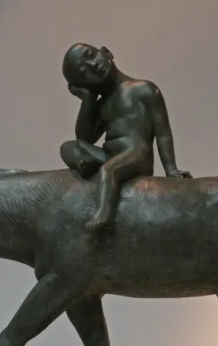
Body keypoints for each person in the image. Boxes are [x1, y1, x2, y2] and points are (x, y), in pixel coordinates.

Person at [59, 43, 191, 231]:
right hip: (110, 155)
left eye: (91, 55)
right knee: (68, 146)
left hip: (136, 154)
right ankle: (86, 163)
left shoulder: (144, 89)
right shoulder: (102, 104)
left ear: (106, 52)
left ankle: (103, 212)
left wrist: (171, 168)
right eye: (84, 73)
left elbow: (162, 132)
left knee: (108, 171)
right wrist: (88, 99)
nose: (93, 66)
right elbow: (84, 138)